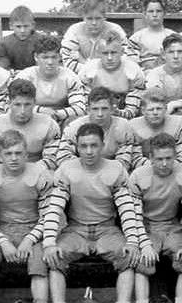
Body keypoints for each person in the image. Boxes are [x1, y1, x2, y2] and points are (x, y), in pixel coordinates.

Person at [43, 123, 140, 303]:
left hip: (107, 229)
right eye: (83, 146)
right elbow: (54, 207)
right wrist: (49, 242)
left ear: (102, 145)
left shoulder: (116, 168)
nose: (89, 151)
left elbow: (127, 208)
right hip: (76, 229)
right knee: (55, 257)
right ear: (77, 147)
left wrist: (133, 241)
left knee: (129, 256)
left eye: (94, 145)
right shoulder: (67, 169)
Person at [131, 133, 182, 303]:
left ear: (175, 155)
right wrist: (145, 244)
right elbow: (134, 216)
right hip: (147, 226)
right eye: (159, 159)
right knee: (143, 262)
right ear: (150, 157)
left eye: (169, 158)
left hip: (172, 225)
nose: (164, 163)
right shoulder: (138, 175)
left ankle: (181, 300)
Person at [0, 130, 52, 303]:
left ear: (26, 155)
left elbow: (48, 216)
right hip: (2, 228)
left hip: (34, 229)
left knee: (39, 263)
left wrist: (29, 239)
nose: (13, 158)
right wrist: (3, 241)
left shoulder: (40, 174)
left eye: (18, 153)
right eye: (8, 153)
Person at [0, 79, 61, 170]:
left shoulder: (49, 125)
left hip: (37, 174)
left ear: (34, 103)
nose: (22, 111)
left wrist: (26, 172)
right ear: (9, 103)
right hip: (2, 174)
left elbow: (52, 159)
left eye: (27, 104)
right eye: (17, 104)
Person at [13, 35, 86, 125]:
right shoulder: (25, 77)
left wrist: (56, 114)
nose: (50, 62)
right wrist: (41, 111)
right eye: (45, 57)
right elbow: (13, 105)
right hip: (30, 119)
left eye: (54, 57)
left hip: (61, 120)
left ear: (60, 57)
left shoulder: (70, 77)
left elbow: (80, 108)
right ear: (36, 57)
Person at [57, 86, 135, 170]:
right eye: (95, 109)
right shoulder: (73, 127)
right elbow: (63, 156)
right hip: (80, 170)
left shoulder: (123, 126)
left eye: (104, 109)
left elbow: (125, 160)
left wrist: (106, 171)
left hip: (111, 172)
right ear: (88, 110)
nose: (100, 114)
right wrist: (86, 170)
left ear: (112, 109)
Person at [78, 30, 146, 119]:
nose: (109, 58)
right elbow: (85, 105)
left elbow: (132, 111)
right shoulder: (88, 70)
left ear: (122, 52)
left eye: (113, 53)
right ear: (98, 53)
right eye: (105, 53)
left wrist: (118, 113)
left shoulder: (133, 71)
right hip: (95, 114)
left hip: (124, 117)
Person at [60, 0, 128, 74]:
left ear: (104, 17)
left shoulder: (116, 30)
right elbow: (68, 63)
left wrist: (84, 62)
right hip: (80, 79)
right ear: (83, 17)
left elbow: (125, 58)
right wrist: (93, 71)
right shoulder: (73, 31)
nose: (94, 23)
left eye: (98, 18)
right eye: (89, 18)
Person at [130, 88, 182, 169]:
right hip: (145, 169)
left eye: (159, 109)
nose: (155, 113)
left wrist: (168, 166)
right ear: (143, 111)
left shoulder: (177, 123)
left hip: (174, 168)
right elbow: (134, 158)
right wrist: (156, 167)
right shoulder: (134, 126)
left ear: (165, 109)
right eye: (151, 109)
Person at [127, 0, 176, 71]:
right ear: (144, 13)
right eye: (150, 11)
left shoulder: (173, 37)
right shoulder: (136, 38)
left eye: (158, 11)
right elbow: (132, 65)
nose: (155, 15)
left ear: (164, 13)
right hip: (145, 78)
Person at [0, 5, 43, 71]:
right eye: (18, 26)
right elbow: (4, 69)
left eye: (26, 26)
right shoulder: (3, 44)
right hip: (13, 77)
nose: (22, 30)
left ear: (33, 25)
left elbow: (44, 65)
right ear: (11, 26)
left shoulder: (42, 41)